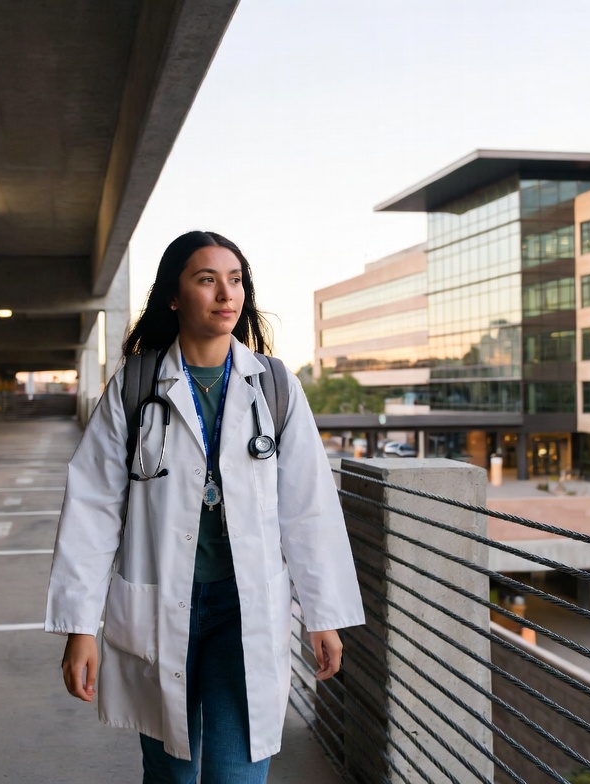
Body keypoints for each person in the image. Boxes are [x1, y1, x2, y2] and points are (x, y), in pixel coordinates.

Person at [45, 230, 364, 783]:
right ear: (174, 296)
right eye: (207, 279)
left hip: (245, 606)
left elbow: (308, 507)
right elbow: (92, 509)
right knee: (171, 774)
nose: (226, 293)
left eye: (235, 280)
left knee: (237, 773)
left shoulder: (275, 386)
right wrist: (80, 627)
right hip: (162, 601)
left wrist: (324, 616)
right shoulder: (136, 386)